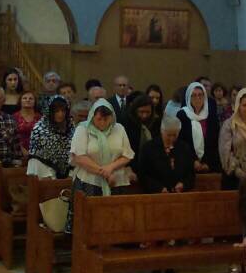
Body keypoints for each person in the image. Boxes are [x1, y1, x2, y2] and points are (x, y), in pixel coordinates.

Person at [66, 100, 134, 233]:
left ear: (112, 117)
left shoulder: (119, 128)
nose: (102, 123)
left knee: (115, 223)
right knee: (89, 224)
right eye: (99, 119)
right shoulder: (83, 129)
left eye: (106, 119)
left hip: (116, 181)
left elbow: (127, 155)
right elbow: (79, 156)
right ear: (92, 116)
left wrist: (110, 168)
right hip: (89, 181)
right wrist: (104, 172)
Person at [137, 115, 196, 193]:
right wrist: (159, 188)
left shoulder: (184, 148)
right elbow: (142, 175)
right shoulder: (148, 148)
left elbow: (191, 174)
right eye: (168, 135)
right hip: (155, 194)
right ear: (162, 131)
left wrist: (183, 184)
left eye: (175, 135)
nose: (172, 138)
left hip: (179, 194)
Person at [26, 94, 74, 178]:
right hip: (43, 169)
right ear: (50, 112)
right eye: (57, 111)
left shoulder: (71, 127)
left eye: (63, 111)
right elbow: (36, 155)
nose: (60, 114)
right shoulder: (39, 129)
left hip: (68, 172)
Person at [177, 81, 220, 172]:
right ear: (188, 97)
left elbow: (215, 141)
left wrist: (207, 163)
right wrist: (193, 161)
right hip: (187, 164)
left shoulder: (211, 116)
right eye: (193, 95)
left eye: (200, 95)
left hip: (209, 164)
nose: (197, 98)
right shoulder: (182, 115)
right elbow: (181, 142)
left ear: (204, 97)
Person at [123, 91, 156, 174]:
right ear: (135, 111)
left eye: (148, 112)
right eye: (141, 112)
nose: (144, 115)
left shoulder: (155, 123)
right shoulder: (127, 124)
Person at [14, 90, 41, 157]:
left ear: (35, 102)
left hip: (38, 152)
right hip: (18, 152)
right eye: (25, 98)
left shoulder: (40, 118)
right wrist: (22, 150)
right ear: (20, 101)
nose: (28, 100)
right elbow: (13, 136)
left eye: (31, 98)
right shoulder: (14, 117)